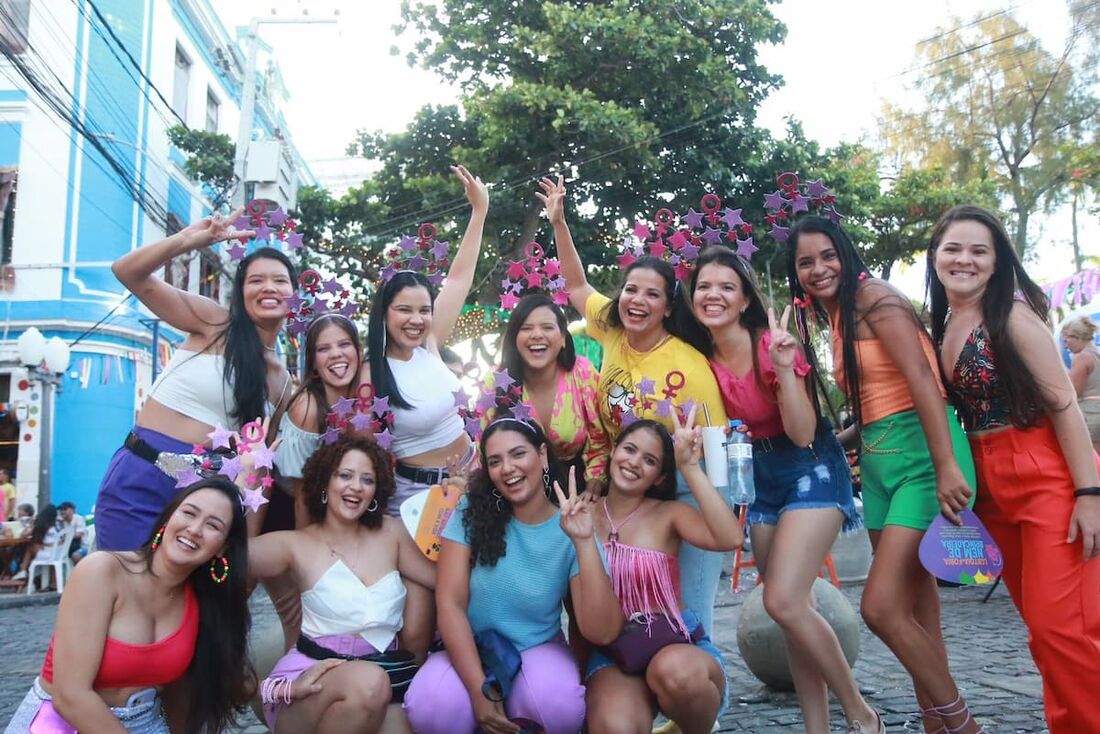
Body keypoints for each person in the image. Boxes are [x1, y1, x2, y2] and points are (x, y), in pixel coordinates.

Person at [789, 215, 981, 734]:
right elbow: (873, 404)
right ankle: (935, 723)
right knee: (919, 610)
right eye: (805, 262)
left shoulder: (873, 297)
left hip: (924, 458)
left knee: (881, 607)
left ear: (846, 253)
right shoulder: (835, 315)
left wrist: (945, 468)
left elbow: (921, 377)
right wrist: (832, 446)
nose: (818, 268)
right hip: (878, 462)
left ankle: (963, 724)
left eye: (827, 255)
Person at [685, 247, 874, 734]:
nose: (714, 295)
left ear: (745, 297)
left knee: (783, 601)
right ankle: (818, 728)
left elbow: (804, 433)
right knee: (794, 612)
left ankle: (859, 711)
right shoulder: (697, 357)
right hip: (757, 478)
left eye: (727, 286)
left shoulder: (771, 343)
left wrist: (785, 369)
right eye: (705, 286)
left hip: (808, 465)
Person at [926, 205, 1100, 734]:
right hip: (990, 487)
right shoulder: (949, 321)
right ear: (935, 255)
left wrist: (1089, 494)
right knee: (1042, 628)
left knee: (1060, 628)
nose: (964, 259)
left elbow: (1063, 407)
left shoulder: (1013, 317)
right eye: (953, 248)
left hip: (1045, 475)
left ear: (998, 262)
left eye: (980, 250)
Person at [539, 175, 730, 638]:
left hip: (686, 489)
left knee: (689, 609)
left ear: (668, 307)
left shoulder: (690, 365)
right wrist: (559, 223)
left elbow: (717, 450)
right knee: (632, 605)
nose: (636, 301)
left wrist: (713, 504)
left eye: (651, 294)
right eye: (630, 290)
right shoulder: (611, 329)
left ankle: (701, 702)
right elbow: (577, 283)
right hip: (627, 493)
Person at [403, 418, 622, 734]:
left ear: (542, 455)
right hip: (470, 647)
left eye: (518, 454)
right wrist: (479, 690)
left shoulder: (570, 524)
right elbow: (449, 604)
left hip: (536, 648)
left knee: (558, 706)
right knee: (431, 706)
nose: (507, 468)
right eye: (495, 461)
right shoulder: (469, 511)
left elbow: (602, 631)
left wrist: (585, 541)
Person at [98, 210, 296, 551]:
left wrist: (243, 550)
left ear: (294, 293)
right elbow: (127, 271)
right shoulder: (215, 322)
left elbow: (258, 467)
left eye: (279, 280)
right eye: (256, 280)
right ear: (241, 291)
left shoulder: (283, 383)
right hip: (143, 478)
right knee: (126, 591)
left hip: (208, 504)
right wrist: (188, 240)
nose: (269, 288)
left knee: (183, 603)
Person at [5, 478, 252, 734]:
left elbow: (181, 698)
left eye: (213, 525)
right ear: (168, 518)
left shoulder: (204, 603)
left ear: (222, 548)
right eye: (189, 513)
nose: (194, 529)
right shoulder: (102, 571)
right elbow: (70, 696)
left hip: (147, 724)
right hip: (61, 725)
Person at [250, 434, 435, 733]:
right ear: (325, 482)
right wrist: (246, 480)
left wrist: (459, 510)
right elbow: (230, 556)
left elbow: (446, 580)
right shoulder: (296, 544)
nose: (356, 487)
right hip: (311, 680)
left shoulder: (392, 534)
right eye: (345, 476)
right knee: (370, 684)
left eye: (367, 479)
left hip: (385, 678)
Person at [584, 410, 740, 734]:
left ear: (658, 477)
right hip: (613, 652)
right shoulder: (580, 515)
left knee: (676, 674)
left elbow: (730, 538)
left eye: (650, 460)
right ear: (613, 451)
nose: (634, 462)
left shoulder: (670, 514)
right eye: (629, 449)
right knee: (614, 726)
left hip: (674, 643)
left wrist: (689, 467)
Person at [495, 293, 610, 495]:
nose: (537, 335)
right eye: (526, 328)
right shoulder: (495, 383)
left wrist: (595, 483)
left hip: (579, 492)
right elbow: (484, 449)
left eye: (547, 327)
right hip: (514, 493)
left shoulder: (583, 373)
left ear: (563, 339)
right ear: (514, 339)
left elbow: (601, 441)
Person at [276, 313, 367, 527]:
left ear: (358, 352)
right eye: (323, 349)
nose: (336, 354)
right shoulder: (307, 409)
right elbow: (302, 499)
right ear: (314, 362)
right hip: (295, 516)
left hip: (340, 514)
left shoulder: (365, 399)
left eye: (344, 344)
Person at [1062, 316, 1100, 453]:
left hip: (1090, 414)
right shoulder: (1096, 353)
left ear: (1077, 337)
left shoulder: (1082, 357)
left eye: (1066, 340)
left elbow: (1073, 391)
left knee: (1094, 461)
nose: (1065, 346)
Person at [11, 504, 60, 585]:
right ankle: (52, 583)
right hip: (59, 553)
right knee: (34, 546)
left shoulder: (41, 524)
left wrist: (31, 525)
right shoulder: (57, 524)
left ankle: (23, 570)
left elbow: (24, 535)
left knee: (29, 547)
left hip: (49, 554)